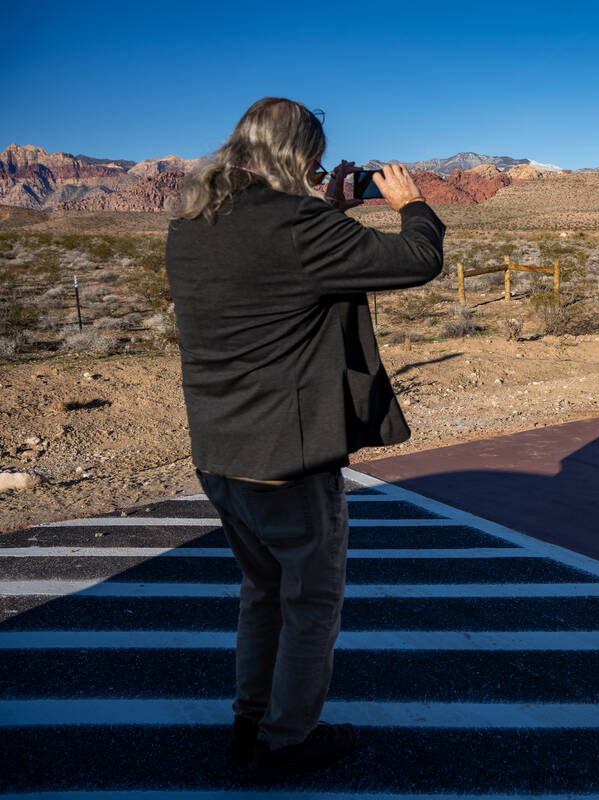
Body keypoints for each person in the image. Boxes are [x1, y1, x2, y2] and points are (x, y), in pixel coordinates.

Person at [165, 97, 444, 783]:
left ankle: (249, 718)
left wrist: (330, 211)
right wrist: (411, 204)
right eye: (314, 163)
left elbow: (282, 272)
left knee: (261, 591)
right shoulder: (298, 225)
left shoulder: (192, 225)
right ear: (297, 160)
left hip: (220, 453)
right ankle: (287, 741)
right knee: (311, 600)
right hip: (286, 458)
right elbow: (417, 259)